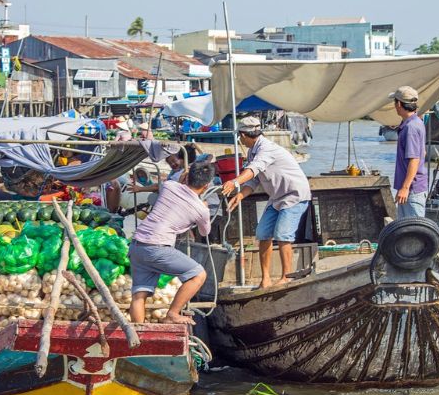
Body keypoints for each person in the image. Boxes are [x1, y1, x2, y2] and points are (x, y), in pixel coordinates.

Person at [221, 116, 311, 289]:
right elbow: (254, 180)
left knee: (283, 235)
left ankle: (286, 277)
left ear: (243, 135)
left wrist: (234, 182)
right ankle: (266, 279)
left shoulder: (266, 148)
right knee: (262, 233)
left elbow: (253, 169)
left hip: (294, 194)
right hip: (277, 198)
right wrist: (240, 195)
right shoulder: (252, 151)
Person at [129, 161, 214, 325]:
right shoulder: (201, 209)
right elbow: (205, 232)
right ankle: (173, 314)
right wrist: (206, 209)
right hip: (157, 248)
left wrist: (183, 179)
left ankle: (138, 334)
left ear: (187, 177)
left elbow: (174, 182)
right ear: (207, 185)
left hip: (137, 246)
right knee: (198, 274)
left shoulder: (169, 186)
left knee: (139, 295)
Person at [389, 86, 428, 218]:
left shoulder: (410, 128)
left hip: (412, 190)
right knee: (406, 229)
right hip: (411, 188)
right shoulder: (416, 122)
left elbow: (414, 159)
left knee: (414, 228)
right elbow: (423, 153)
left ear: (399, 104)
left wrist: (405, 188)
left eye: (395, 102)